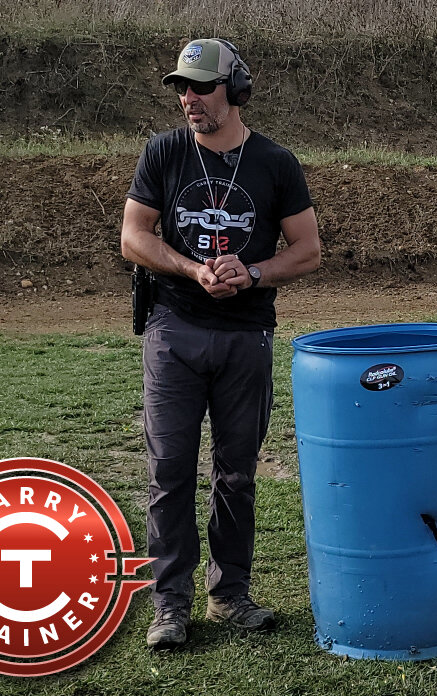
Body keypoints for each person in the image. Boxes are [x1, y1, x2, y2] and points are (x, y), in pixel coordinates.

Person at [120, 38, 322, 649]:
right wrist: (190, 268)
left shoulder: (274, 163)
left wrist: (254, 272)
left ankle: (229, 593)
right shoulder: (164, 152)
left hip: (245, 337)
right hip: (173, 330)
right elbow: (134, 237)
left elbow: (308, 250)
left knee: (237, 473)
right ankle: (170, 605)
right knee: (169, 470)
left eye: (202, 88)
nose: (189, 99)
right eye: (182, 87)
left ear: (235, 91)